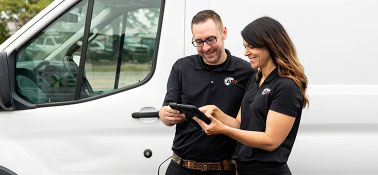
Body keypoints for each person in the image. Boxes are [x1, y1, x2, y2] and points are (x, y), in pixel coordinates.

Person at [194, 16, 309, 175]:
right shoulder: (256, 79)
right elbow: (240, 124)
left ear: (270, 45)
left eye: (251, 47)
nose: (246, 52)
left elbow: (271, 141)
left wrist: (224, 130)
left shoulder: (286, 86)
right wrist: (216, 112)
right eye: (245, 46)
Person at [159, 10, 254, 175]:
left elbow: (247, 126)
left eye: (211, 39)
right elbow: (166, 108)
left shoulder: (246, 72)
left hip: (223, 169)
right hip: (180, 167)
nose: (206, 47)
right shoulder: (181, 67)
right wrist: (165, 116)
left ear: (223, 32)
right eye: (199, 42)